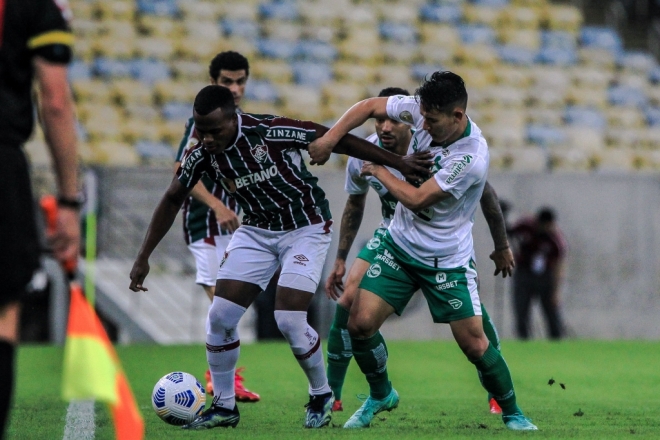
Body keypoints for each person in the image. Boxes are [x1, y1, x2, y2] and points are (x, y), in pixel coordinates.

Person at [129, 85, 431, 430]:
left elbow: (334, 138)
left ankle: (321, 394)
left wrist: (399, 162)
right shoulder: (202, 155)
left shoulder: (269, 131)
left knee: (288, 319)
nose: (208, 139)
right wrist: (144, 257)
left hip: (306, 227)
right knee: (220, 316)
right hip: (257, 230)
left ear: (233, 119)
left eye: (215, 130)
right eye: (202, 131)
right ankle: (225, 406)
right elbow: (171, 200)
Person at [309, 71, 537, 430]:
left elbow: (416, 199)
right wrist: (331, 138)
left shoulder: (469, 157)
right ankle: (380, 393)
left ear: (457, 117)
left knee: (475, 345)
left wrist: (379, 170)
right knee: (359, 322)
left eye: (431, 121)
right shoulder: (420, 111)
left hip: (444, 260)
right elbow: (369, 105)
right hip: (398, 247)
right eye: (422, 117)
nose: (423, 126)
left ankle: (512, 413)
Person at [0, 0, 80, 438]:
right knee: (2, 312)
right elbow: (54, 102)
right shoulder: (34, 7)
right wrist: (69, 200)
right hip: (2, 161)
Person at [174, 51, 259, 402]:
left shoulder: (246, 124)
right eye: (227, 81)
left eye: (240, 81)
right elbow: (182, 172)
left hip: (238, 227)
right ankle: (221, 378)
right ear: (214, 82)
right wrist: (218, 204)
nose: (235, 88)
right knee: (222, 301)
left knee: (230, 305)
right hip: (206, 224)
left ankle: (220, 377)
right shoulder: (201, 123)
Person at [509, 207, 567, 340]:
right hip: (524, 274)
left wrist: (556, 291)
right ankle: (524, 342)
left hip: (545, 277)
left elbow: (559, 265)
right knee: (521, 311)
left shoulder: (556, 239)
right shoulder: (525, 226)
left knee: (551, 313)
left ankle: (556, 342)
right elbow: (510, 232)